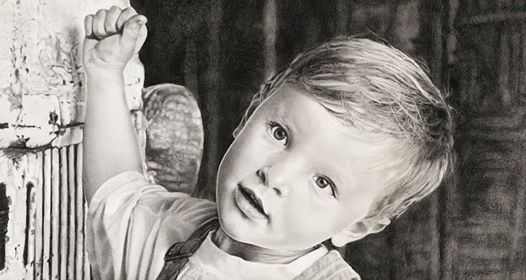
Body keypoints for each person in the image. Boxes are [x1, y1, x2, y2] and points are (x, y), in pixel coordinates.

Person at [82, 6, 453, 280]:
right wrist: (104, 72)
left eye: (323, 183)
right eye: (280, 134)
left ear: (356, 227)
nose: (276, 176)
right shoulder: (179, 232)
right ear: (250, 114)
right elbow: (118, 195)